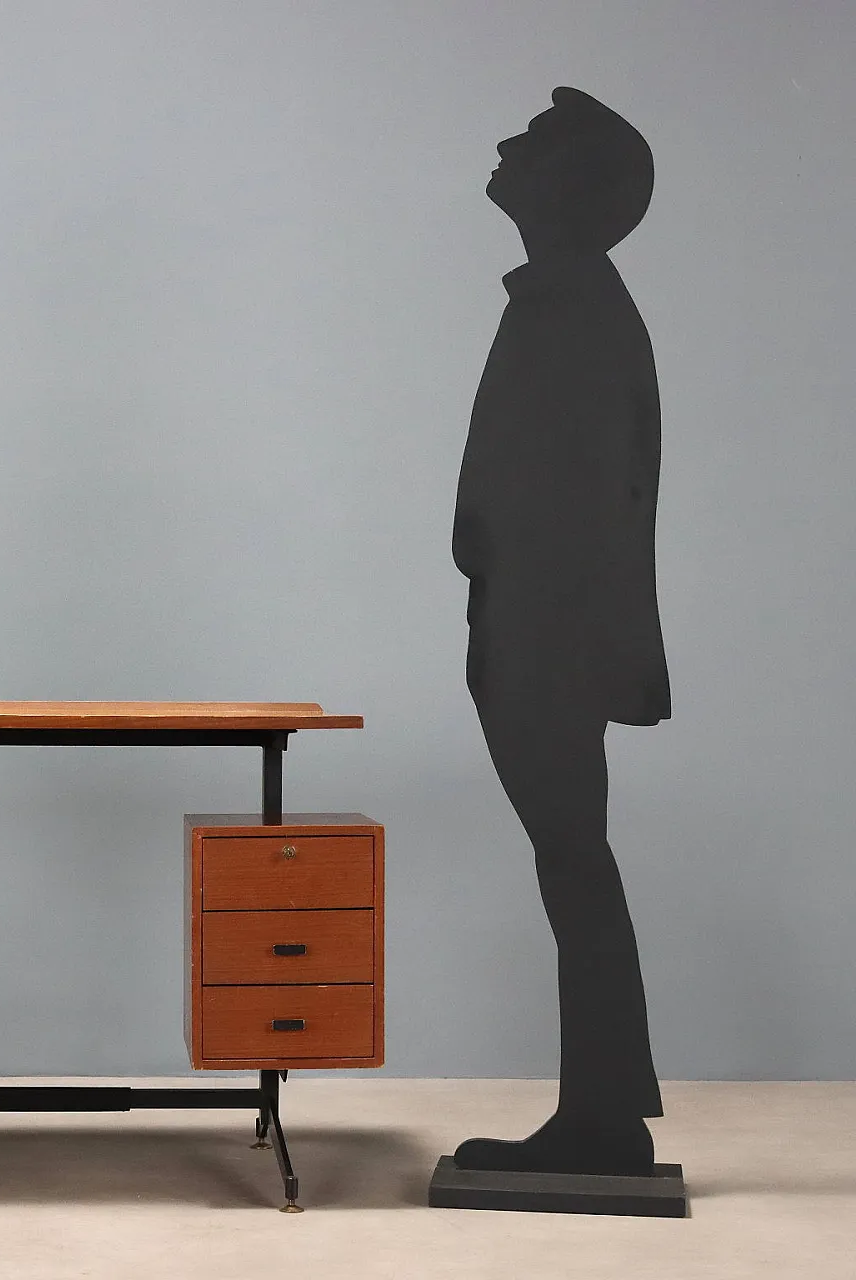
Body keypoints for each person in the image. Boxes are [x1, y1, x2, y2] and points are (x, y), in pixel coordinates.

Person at [450, 86, 670, 1176]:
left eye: (532, 142)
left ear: (570, 187)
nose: (504, 145)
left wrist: (522, 617)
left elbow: (586, 501)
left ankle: (602, 1115)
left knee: (572, 859)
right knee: (572, 859)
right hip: (536, 625)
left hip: (547, 632)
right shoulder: (569, 300)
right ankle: (603, 1107)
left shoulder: (573, 307)